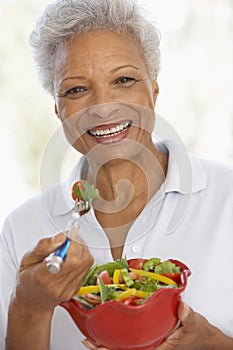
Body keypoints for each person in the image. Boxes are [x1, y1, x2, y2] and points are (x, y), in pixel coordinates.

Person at [0, 0, 233, 349]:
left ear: (153, 89)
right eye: (77, 89)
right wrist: (29, 309)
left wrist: (215, 344)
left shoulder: (227, 197)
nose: (103, 107)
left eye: (124, 80)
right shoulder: (22, 229)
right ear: (57, 108)